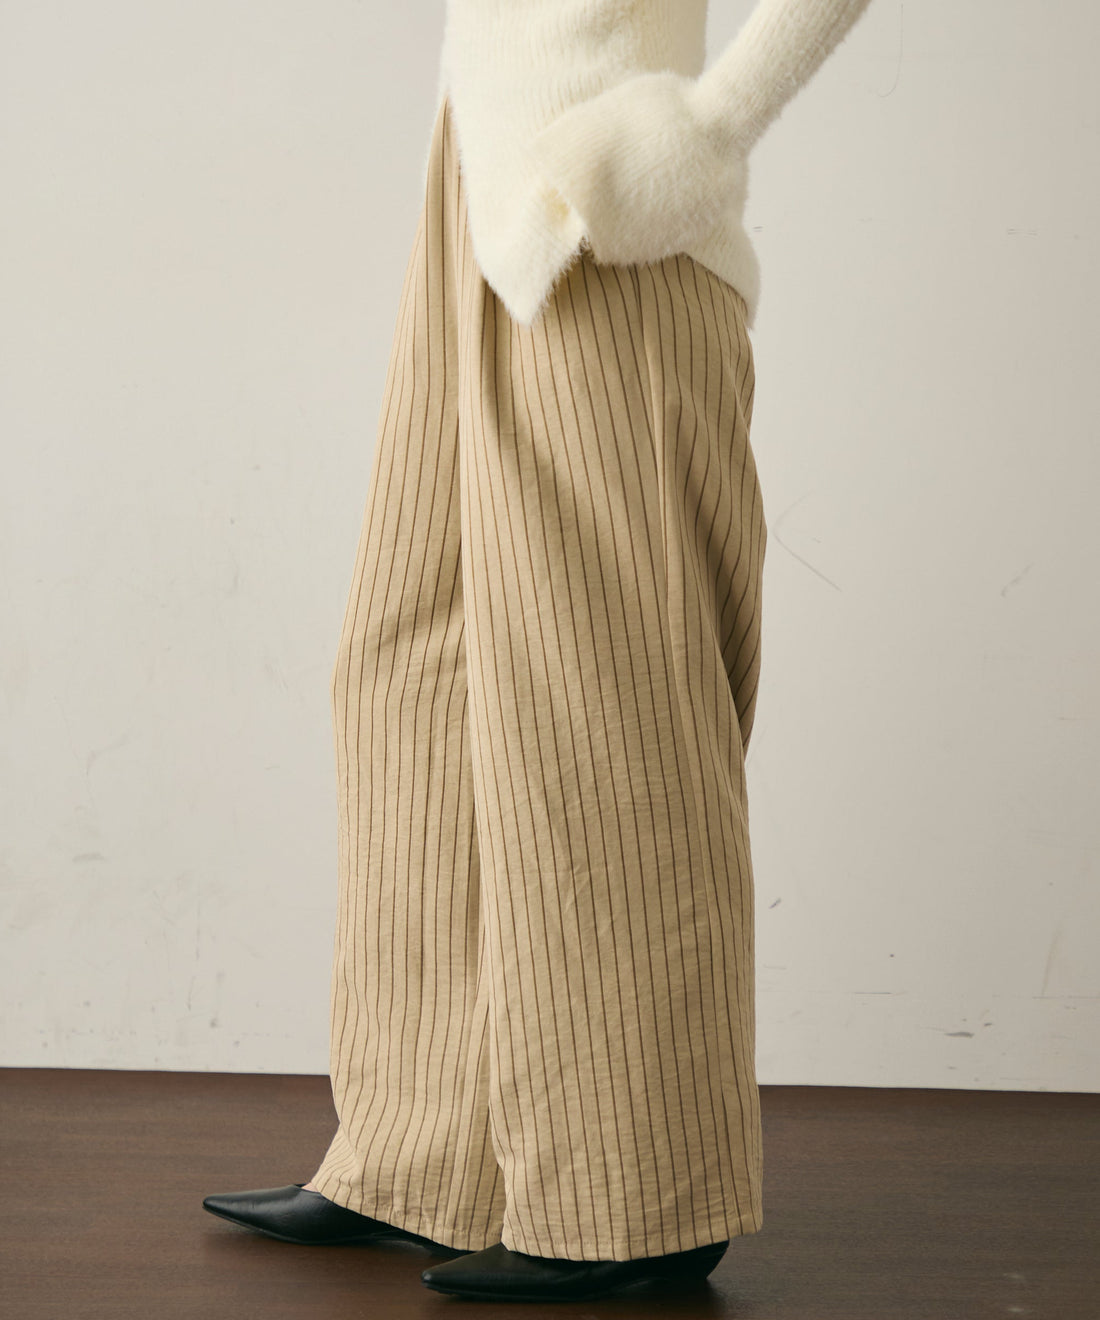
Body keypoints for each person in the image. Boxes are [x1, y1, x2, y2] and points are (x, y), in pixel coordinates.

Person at [202, 0, 876, 1304]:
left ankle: (636, 1199)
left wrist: (710, 128)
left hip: (601, 221)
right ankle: (425, 1151)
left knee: (600, 719)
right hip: (474, 195)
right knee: (407, 670)